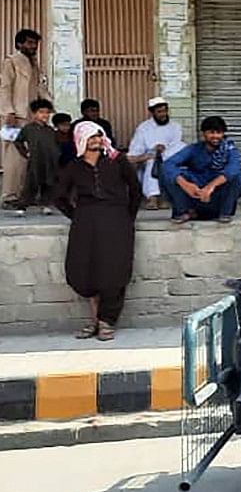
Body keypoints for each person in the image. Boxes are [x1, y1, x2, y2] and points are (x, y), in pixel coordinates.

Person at [54, 122, 142, 341]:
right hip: (86, 222)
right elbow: (59, 197)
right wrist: (77, 216)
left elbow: (135, 189)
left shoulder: (117, 160)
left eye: (98, 136)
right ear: (81, 140)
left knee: (114, 270)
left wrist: (127, 217)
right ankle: (94, 321)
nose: (95, 140)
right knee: (85, 269)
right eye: (90, 137)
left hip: (116, 220)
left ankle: (106, 322)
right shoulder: (74, 166)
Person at [161, 116, 241, 223]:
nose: (215, 136)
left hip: (216, 197)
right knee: (168, 173)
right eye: (211, 132)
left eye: (218, 133)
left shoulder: (231, 150)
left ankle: (225, 214)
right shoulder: (193, 149)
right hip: (195, 196)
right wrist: (186, 185)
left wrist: (210, 187)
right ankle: (183, 212)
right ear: (203, 134)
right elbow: (168, 164)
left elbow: (232, 170)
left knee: (238, 176)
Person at [2, 29, 52, 209]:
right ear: (20, 44)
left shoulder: (35, 64)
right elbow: (5, 87)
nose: (33, 46)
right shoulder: (11, 62)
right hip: (16, 116)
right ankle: (9, 196)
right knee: (14, 157)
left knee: (31, 157)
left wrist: (48, 107)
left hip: (32, 117)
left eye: (35, 43)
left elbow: (40, 88)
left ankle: (26, 195)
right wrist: (9, 112)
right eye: (30, 43)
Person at [126, 97, 186, 210]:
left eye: (165, 111)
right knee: (152, 161)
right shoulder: (144, 128)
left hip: (170, 157)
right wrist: (153, 151)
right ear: (152, 112)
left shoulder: (175, 126)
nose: (163, 114)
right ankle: (153, 197)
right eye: (159, 112)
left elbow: (176, 145)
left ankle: (165, 197)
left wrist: (164, 149)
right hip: (150, 158)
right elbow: (134, 153)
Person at [14, 98, 59, 215]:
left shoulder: (50, 130)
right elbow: (18, 141)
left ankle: (45, 205)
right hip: (35, 159)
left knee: (48, 182)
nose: (45, 115)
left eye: (47, 112)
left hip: (49, 161)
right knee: (31, 183)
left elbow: (56, 145)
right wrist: (25, 153)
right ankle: (22, 206)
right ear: (34, 114)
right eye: (41, 112)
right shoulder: (28, 128)